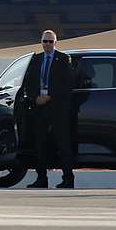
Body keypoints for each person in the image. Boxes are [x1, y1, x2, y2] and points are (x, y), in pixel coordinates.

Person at [21, 30, 75, 189]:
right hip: (40, 108)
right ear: (41, 42)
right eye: (45, 41)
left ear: (55, 43)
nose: (47, 44)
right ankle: (41, 179)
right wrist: (34, 98)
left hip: (57, 107)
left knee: (63, 144)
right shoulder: (36, 59)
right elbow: (29, 82)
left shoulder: (63, 59)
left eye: (50, 42)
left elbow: (67, 84)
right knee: (40, 144)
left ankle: (68, 178)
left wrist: (50, 96)